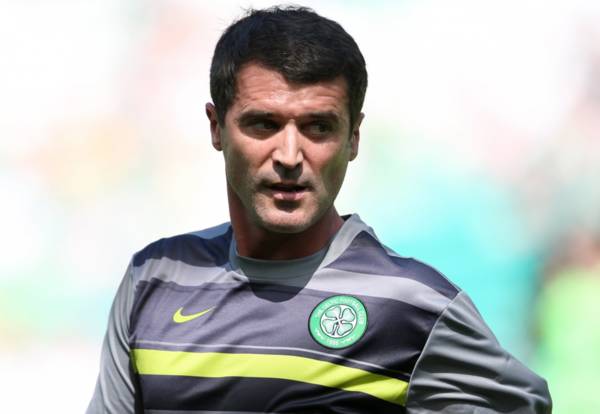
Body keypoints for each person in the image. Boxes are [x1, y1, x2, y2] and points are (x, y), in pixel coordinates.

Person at [87, 5, 551, 413]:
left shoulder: (415, 308)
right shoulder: (154, 279)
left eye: (318, 127)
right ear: (216, 128)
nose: (290, 155)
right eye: (263, 124)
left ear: (353, 137)